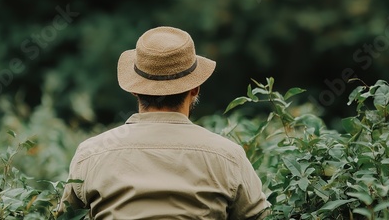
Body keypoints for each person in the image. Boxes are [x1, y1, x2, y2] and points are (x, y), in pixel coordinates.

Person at [58, 26, 270, 219]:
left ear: (134, 88)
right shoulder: (228, 157)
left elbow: (66, 216)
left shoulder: (90, 155)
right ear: (195, 88)